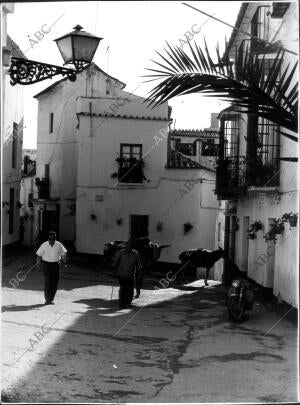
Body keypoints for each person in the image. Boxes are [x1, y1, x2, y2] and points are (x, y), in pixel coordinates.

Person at [36, 231, 67, 305]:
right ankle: (47, 300)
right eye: (50, 240)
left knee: (54, 283)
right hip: (46, 265)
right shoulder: (44, 245)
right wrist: (38, 265)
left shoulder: (59, 245)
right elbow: (39, 255)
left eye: (52, 240)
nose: (51, 241)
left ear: (55, 239)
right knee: (47, 282)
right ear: (48, 239)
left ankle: (51, 299)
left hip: (56, 265)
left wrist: (65, 263)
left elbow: (64, 254)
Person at [113, 239, 142, 308]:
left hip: (131, 275)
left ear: (132, 246)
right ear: (126, 245)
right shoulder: (121, 253)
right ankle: (121, 302)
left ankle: (128, 302)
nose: (129, 247)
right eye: (128, 245)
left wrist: (139, 273)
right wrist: (114, 272)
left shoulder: (135, 254)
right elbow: (115, 263)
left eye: (131, 245)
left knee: (130, 289)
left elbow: (138, 265)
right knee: (123, 288)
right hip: (121, 274)